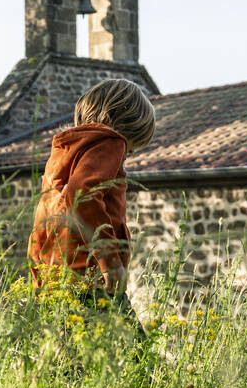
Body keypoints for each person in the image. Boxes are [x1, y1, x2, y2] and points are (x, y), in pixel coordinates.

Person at [27, 79, 155, 313]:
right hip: (90, 278)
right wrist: (110, 264)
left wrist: (39, 280)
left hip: (56, 279)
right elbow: (82, 195)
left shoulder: (65, 154)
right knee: (133, 348)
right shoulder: (112, 141)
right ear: (129, 128)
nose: (122, 159)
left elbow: (43, 223)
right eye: (128, 153)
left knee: (70, 348)